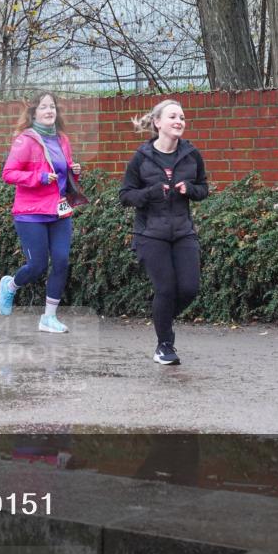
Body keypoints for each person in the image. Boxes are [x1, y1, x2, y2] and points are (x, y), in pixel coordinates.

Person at [119, 99, 209, 365]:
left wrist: (189, 190)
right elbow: (125, 195)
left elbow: (204, 188)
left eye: (182, 117)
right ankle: (164, 345)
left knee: (190, 288)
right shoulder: (142, 157)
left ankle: (162, 319)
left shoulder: (191, 155)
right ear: (158, 122)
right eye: (173, 117)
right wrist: (150, 192)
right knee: (166, 289)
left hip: (183, 231)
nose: (179, 121)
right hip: (151, 234)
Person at [0, 92, 82, 333]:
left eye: (52, 107)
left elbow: (63, 175)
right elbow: (8, 173)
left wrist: (74, 171)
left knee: (62, 261)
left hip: (59, 210)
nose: (49, 111)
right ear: (33, 113)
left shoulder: (62, 139)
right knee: (37, 265)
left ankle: (49, 317)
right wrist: (40, 177)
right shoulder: (25, 140)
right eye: (43, 107)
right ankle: (11, 286)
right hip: (30, 213)